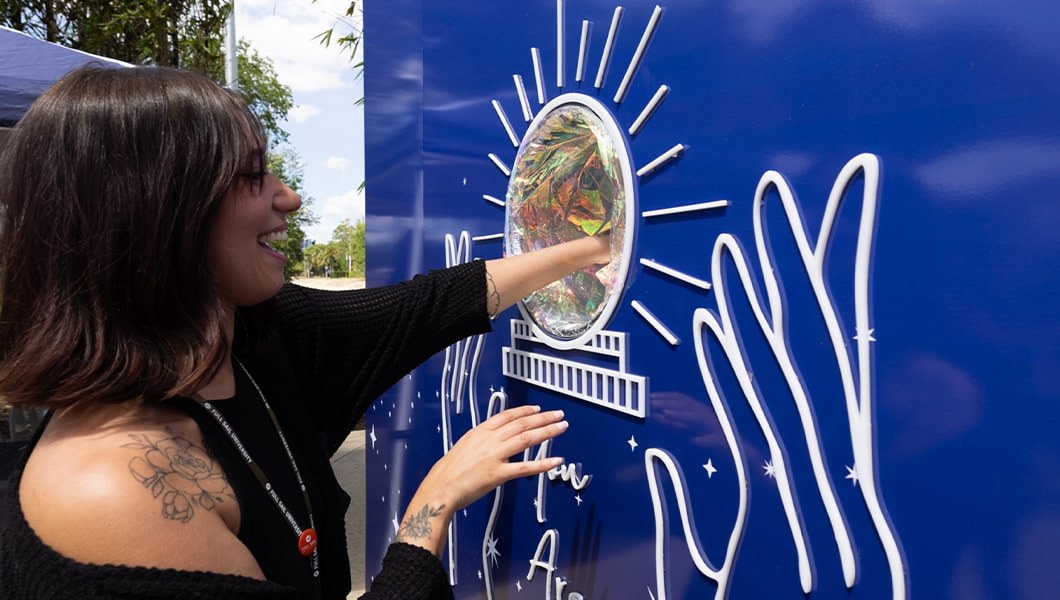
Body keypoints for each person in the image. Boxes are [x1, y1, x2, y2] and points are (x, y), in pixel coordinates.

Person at [0, 65, 612, 599]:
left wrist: (592, 248)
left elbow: (425, 308)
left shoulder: (249, 337)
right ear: (154, 211)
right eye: (251, 176)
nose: (289, 198)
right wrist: (432, 508)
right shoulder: (113, 489)